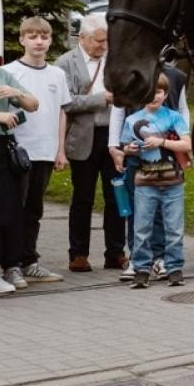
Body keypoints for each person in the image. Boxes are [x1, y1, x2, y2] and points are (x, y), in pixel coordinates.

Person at [58, 14, 125, 273]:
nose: (103, 46)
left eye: (106, 41)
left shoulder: (114, 60)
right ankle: (78, 254)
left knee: (116, 196)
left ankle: (116, 252)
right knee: (82, 198)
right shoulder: (66, 63)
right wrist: (101, 99)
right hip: (83, 137)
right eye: (98, 41)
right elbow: (67, 102)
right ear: (82, 38)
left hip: (112, 136)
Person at [6, 17, 70, 283]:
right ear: (22, 40)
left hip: (45, 150)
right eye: (32, 36)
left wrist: (60, 149)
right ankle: (11, 263)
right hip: (19, 152)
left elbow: (61, 113)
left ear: (51, 40)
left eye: (44, 37)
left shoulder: (57, 74)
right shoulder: (11, 72)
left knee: (35, 209)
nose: (39, 42)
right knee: (15, 209)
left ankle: (30, 259)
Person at [117, 72, 193, 287]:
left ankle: (174, 267)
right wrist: (129, 149)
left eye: (158, 92)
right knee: (141, 227)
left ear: (165, 93)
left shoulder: (173, 116)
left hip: (173, 181)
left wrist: (161, 143)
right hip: (145, 181)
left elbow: (187, 145)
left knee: (174, 228)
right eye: (149, 92)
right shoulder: (132, 120)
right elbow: (126, 146)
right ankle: (141, 268)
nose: (154, 96)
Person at [0, 59, 39, 295]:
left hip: (3, 149)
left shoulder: (2, 75)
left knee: (9, 209)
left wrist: (17, 93)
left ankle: (10, 265)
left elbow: (33, 104)